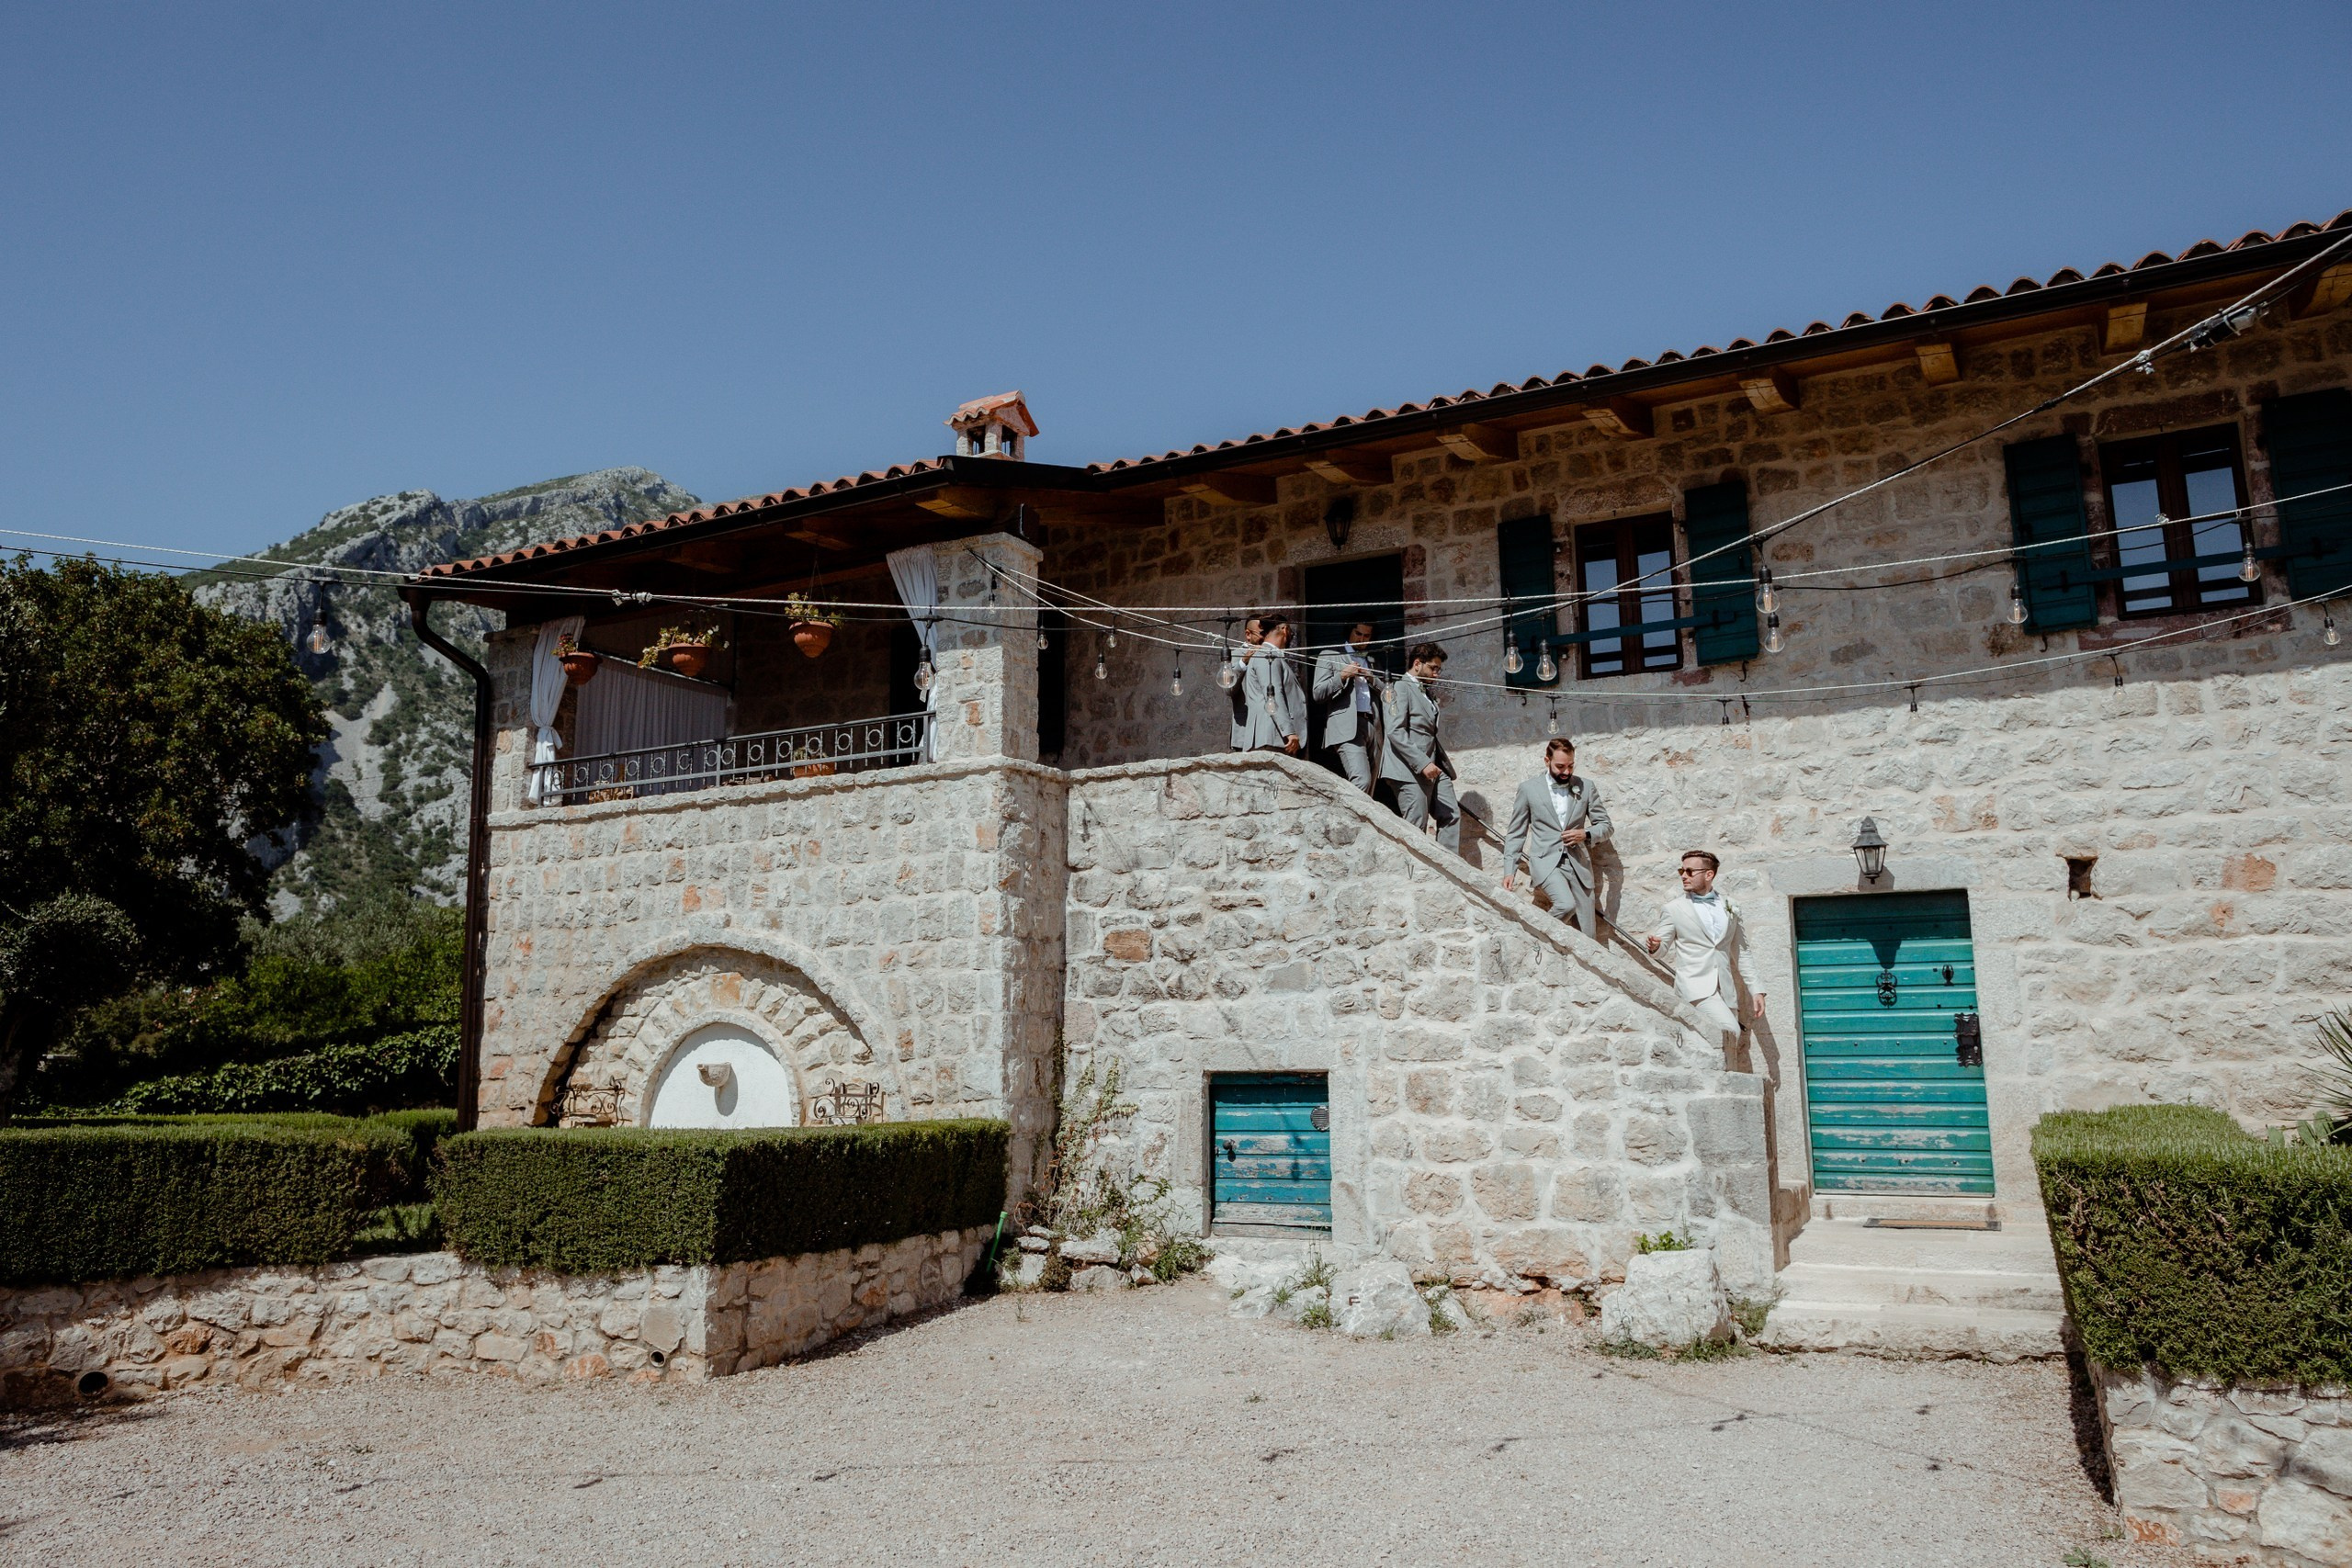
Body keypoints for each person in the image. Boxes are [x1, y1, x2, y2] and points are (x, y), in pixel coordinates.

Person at [1499, 737, 1612, 933]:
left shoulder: (1586, 787)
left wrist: (1585, 833)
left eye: (1571, 766)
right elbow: (1516, 833)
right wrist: (1510, 869)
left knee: (1588, 933)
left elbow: (1606, 825)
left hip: (1579, 864)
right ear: (1547, 761)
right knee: (1565, 904)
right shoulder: (1528, 789)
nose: (1566, 772)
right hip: (1546, 861)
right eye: (1560, 766)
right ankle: (1533, 936)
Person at [1646, 850, 1765, 1035]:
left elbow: (1742, 951)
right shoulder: (1674, 909)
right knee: (1732, 1031)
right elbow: (1661, 950)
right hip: (1695, 989)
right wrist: (1655, 947)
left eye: (1690, 871)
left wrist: (1756, 990)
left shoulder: (1730, 905)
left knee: (1726, 1047)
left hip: (1726, 992)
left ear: (1709, 874)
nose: (1684, 876)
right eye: (1682, 871)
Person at [1378, 642, 1459, 853]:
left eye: (1438, 669)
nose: (1437, 674)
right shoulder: (1398, 688)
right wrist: (1422, 763)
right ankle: (1413, 877)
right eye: (1434, 668)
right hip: (1408, 769)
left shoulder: (1426, 693)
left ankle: (1448, 867)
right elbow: (1395, 731)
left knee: (1451, 813)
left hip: (1433, 766)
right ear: (1417, 664)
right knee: (1416, 824)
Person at [1312, 620, 1385, 792]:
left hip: (1373, 726)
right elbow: (1318, 693)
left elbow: (1388, 693)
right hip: (1347, 725)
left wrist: (1371, 678)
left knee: (1372, 786)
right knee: (1361, 780)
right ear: (1349, 632)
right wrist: (1342, 676)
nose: (1362, 639)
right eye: (1358, 634)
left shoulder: (1373, 660)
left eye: (1367, 636)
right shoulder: (1329, 654)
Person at [1239, 615, 1306, 755]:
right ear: (1284, 629)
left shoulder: (1270, 655)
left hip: (1272, 739)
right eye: (1290, 632)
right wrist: (1289, 732)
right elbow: (1273, 695)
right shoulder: (1268, 656)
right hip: (1270, 738)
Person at [1227, 615, 1264, 751]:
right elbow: (1228, 689)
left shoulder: (1270, 654)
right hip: (1244, 732)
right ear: (1248, 634)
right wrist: (1244, 661)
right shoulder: (1236, 654)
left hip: (1265, 731)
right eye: (1261, 632)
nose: (1265, 636)